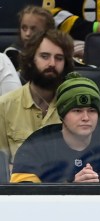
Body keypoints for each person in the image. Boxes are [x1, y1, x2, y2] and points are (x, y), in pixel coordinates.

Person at [10, 73, 100, 184]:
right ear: (62, 114)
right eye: (77, 111)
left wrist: (96, 187)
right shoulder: (37, 144)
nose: (86, 117)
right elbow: (23, 193)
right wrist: (71, 187)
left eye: (92, 110)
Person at [0, 30, 75, 161]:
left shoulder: (76, 105)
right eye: (45, 56)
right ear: (30, 60)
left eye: (59, 58)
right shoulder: (4, 106)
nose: (52, 63)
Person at [3, 6, 55, 70]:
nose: (27, 33)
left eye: (33, 29)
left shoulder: (58, 54)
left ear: (48, 31)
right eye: (24, 28)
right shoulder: (12, 53)